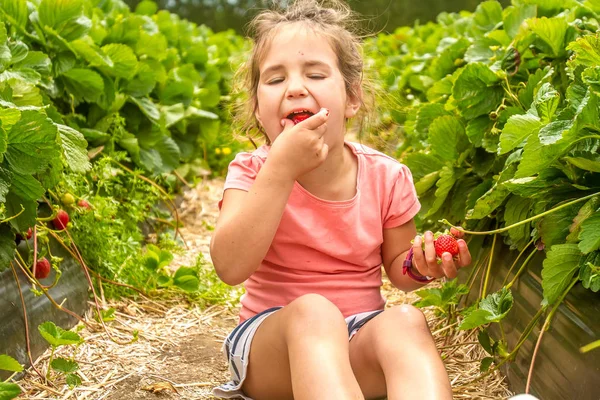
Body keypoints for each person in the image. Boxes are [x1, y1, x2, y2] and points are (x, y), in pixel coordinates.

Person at [209, 0, 473, 399]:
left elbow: (399, 272)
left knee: (405, 321)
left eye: (315, 74)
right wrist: (280, 171)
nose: (295, 87)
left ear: (351, 99)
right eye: (275, 79)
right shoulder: (252, 171)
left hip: (357, 340)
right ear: (258, 110)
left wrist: (422, 265)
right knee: (314, 312)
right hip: (271, 350)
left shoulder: (387, 176)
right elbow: (229, 266)